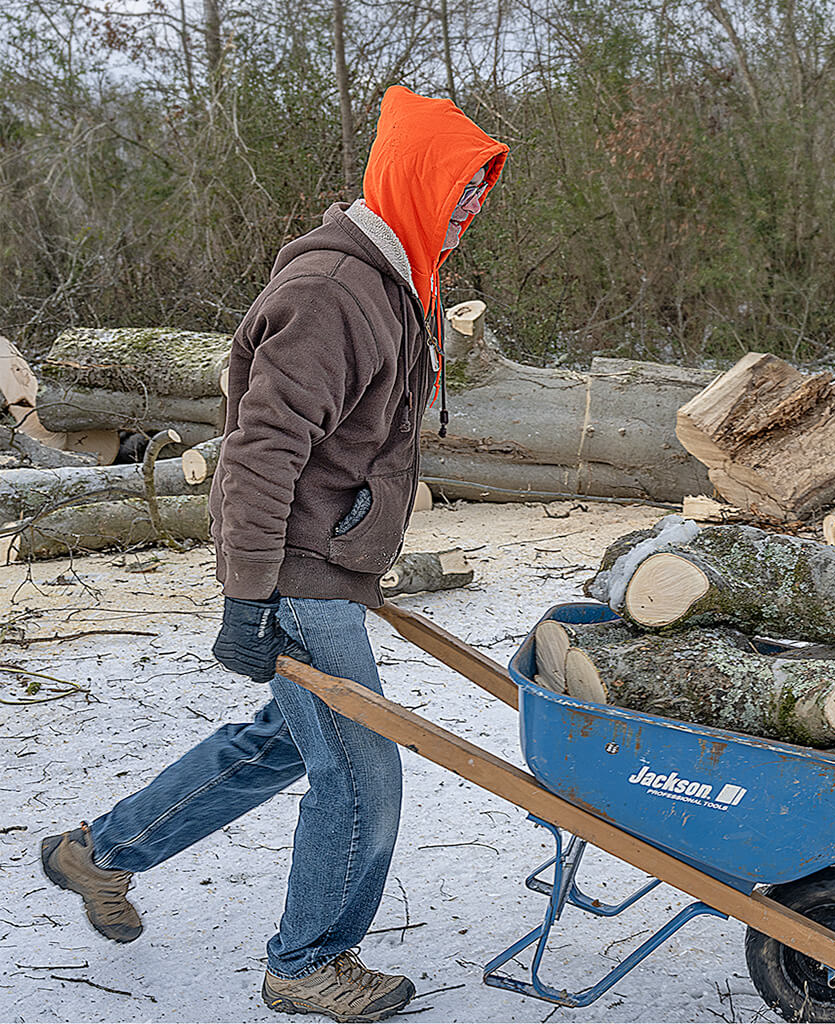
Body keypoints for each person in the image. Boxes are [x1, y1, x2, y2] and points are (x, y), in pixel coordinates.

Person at [39, 86, 508, 1022]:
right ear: (414, 181)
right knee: (361, 771)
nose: (470, 211)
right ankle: (308, 962)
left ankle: (100, 854)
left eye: (480, 194)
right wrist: (247, 595)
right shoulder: (334, 293)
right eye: (459, 189)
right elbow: (261, 451)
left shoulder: (395, 284)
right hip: (295, 572)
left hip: (325, 566)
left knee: (286, 744)